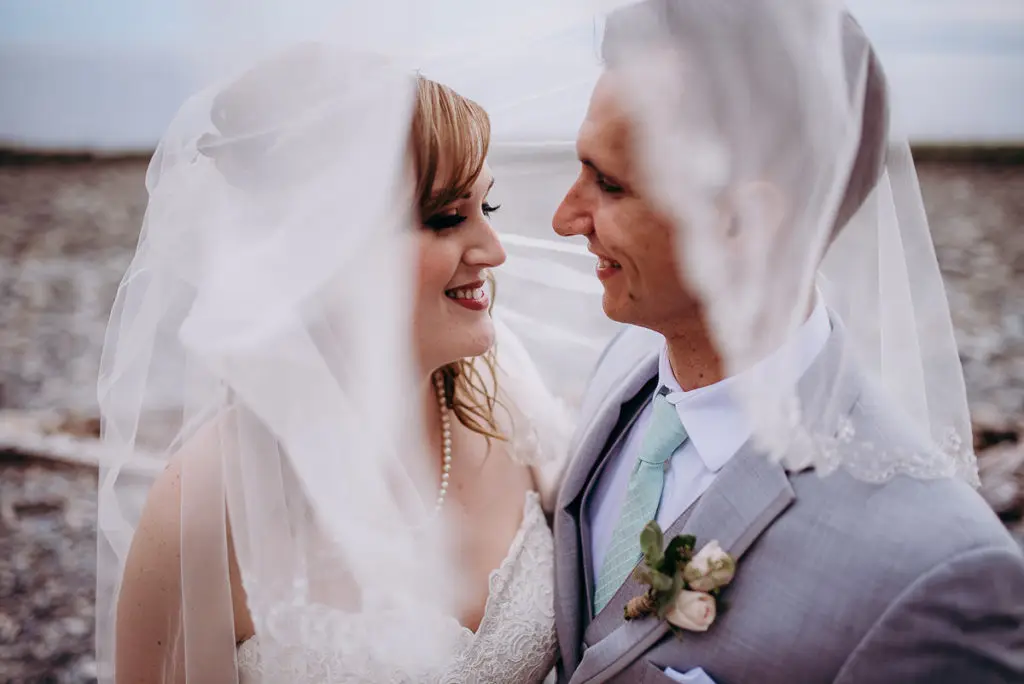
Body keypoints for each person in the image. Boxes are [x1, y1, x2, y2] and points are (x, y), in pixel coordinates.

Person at [551, 2, 1024, 683]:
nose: (566, 217)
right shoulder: (621, 368)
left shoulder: (935, 574)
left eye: (609, 184)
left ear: (747, 220)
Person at [99, 47, 566, 683]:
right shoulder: (205, 503)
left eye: (490, 208)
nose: (493, 249)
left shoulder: (504, 397)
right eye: (447, 218)